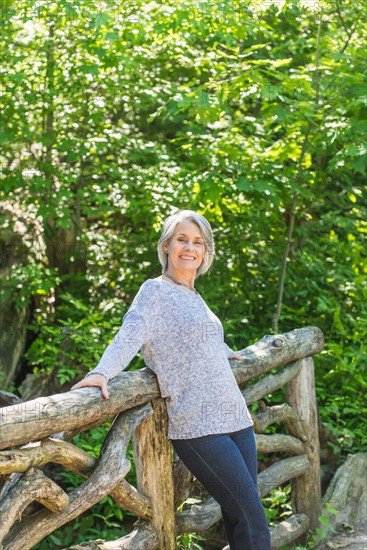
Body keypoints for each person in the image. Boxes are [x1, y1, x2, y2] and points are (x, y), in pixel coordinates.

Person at [71, 209, 271, 550]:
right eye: (182, 239)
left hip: (235, 417)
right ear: (166, 245)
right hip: (197, 425)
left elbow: (196, 337)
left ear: (205, 252)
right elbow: (130, 333)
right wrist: (101, 372)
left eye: (197, 242)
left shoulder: (194, 295)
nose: (189, 247)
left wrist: (225, 350)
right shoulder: (154, 292)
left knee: (241, 515)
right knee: (252, 517)